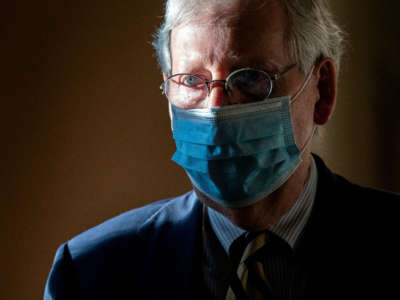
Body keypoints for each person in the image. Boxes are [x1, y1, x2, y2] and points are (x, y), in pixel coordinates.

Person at [44, 0, 400, 299]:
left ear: (321, 90)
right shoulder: (92, 274)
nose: (215, 112)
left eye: (249, 77)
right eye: (192, 81)